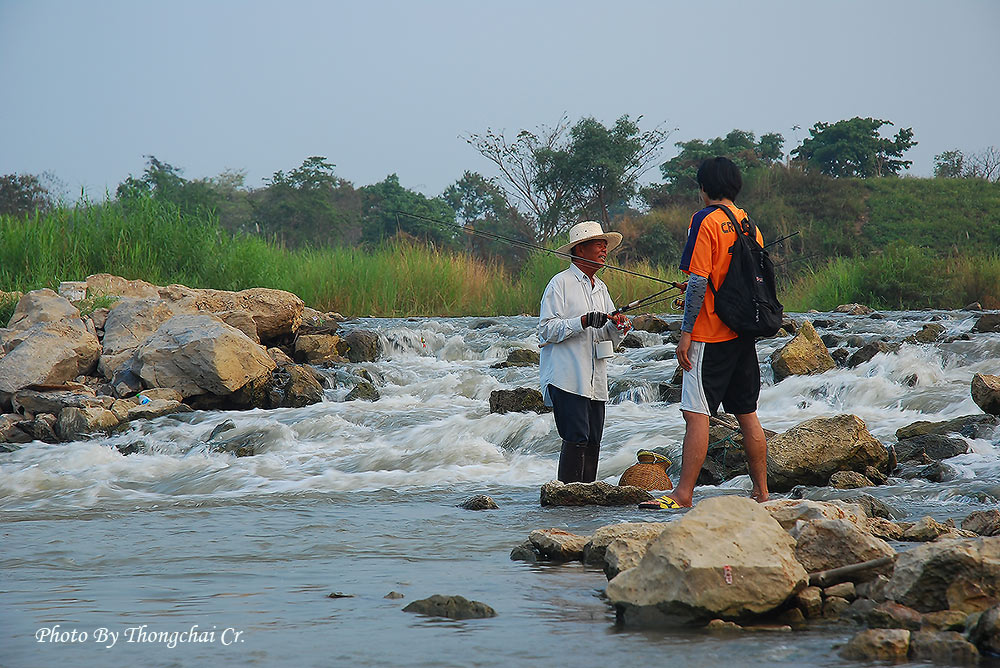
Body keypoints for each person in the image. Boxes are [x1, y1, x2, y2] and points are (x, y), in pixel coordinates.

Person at [640, 157, 769, 510]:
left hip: (710, 334)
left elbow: (698, 281)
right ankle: (762, 493)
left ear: (704, 188)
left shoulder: (705, 220)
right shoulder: (749, 224)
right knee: (747, 413)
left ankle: (683, 495)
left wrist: (685, 333)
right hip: (743, 332)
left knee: (696, 415)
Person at [538, 221, 632, 483]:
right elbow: (546, 330)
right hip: (567, 377)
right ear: (580, 250)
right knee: (576, 437)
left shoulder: (601, 288)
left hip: (596, 381)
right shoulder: (560, 283)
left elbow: (607, 335)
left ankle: (586, 501)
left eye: (605, 245)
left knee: (593, 440)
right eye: (598, 245)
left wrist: (619, 327)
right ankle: (566, 498)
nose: (604, 250)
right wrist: (581, 321)